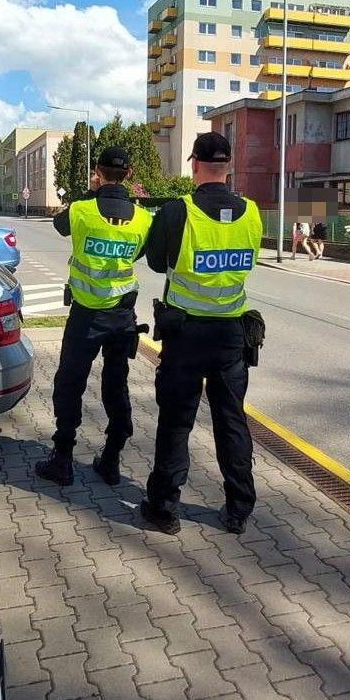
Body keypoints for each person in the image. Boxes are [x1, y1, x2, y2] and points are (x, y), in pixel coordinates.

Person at [140, 132, 262, 535]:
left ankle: (164, 507)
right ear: (228, 165)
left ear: (194, 164)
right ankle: (239, 509)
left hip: (186, 334)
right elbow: (249, 262)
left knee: (177, 422)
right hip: (232, 335)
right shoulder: (252, 212)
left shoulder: (179, 211)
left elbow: (157, 262)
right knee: (231, 421)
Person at [35, 146, 153, 487]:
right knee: (116, 387)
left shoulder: (82, 210)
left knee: (70, 384)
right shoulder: (144, 219)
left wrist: (92, 189)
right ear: (130, 173)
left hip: (85, 316)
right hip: (121, 318)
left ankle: (63, 460)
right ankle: (112, 460)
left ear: (97, 171)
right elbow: (142, 252)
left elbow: (59, 225)